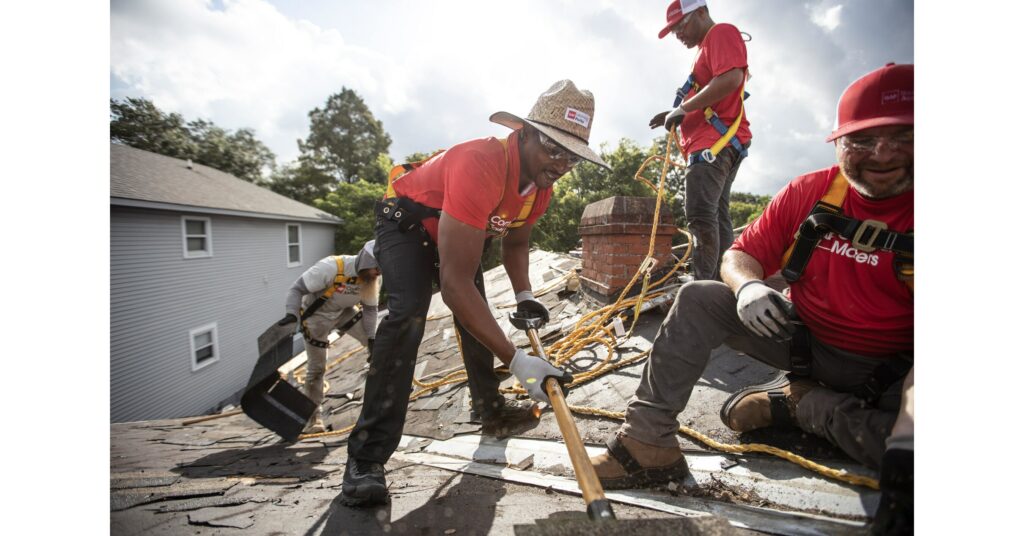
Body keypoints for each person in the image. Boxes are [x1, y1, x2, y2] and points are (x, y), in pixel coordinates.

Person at [590, 63, 914, 533]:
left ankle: (806, 407)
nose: (881, 154)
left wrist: (906, 444)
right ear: (839, 142)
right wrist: (748, 286)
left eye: (903, 137)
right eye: (862, 140)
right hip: (806, 343)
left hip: (895, 375)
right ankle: (647, 444)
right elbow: (739, 254)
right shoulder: (811, 193)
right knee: (699, 297)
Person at [340, 80, 611, 506]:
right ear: (523, 133)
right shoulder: (480, 162)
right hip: (407, 226)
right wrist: (518, 360)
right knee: (408, 313)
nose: (561, 164)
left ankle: (489, 409)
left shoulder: (540, 188)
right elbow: (453, 285)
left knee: (476, 316)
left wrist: (524, 296)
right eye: (553, 148)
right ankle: (366, 459)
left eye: (572, 156)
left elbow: (516, 243)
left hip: (461, 233)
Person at [649, 0, 752, 281]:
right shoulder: (705, 49)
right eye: (673, 31)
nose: (678, 34)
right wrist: (675, 112)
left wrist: (683, 109)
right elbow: (714, 87)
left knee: (700, 216)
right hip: (719, 143)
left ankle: (704, 287)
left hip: (713, 146)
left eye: (680, 26)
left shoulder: (720, 34)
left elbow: (730, 78)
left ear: (702, 13)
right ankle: (722, 282)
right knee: (716, 216)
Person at [276, 240, 381, 434]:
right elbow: (296, 289)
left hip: (344, 312)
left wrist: (372, 339)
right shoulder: (331, 267)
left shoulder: (371, 279)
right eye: (377, 267)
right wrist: (291, 314)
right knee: (316, 369)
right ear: (367, 261)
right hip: (316, 317)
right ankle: (312, 418)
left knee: (380, 346)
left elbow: (370, 310)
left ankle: (384, 398)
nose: (379, 273)